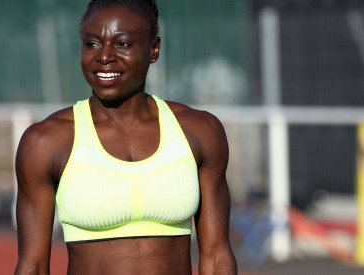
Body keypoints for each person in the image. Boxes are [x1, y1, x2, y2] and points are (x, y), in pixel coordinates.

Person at [14, 0, 237, 274]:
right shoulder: (45, 141)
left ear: (153, 49)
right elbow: (33, 266)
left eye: (122, 44)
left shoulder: (200, 131)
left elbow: (217, 257)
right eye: (92, 44)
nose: (104, 56)